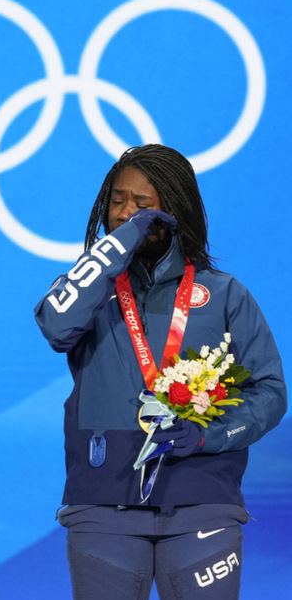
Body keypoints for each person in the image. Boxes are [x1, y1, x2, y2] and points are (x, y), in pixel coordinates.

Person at [34, 144, 286, 599]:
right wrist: (116, 249)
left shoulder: (224, 294)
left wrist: (210, 436)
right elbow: (55, 326)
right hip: (102, 502)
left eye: (143, 205)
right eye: (117, 201)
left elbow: (269, 391)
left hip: (203, 499)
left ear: (175, 210)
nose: (126, 213)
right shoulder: (90, 291)